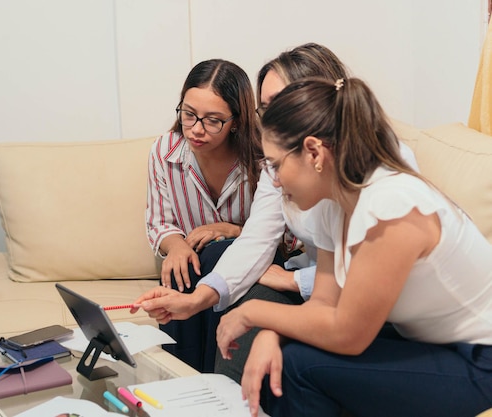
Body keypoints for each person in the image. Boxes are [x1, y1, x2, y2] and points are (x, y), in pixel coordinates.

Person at [136, 44, 418, 381]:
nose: (270, 122)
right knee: (243, 320)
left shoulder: (382, 165)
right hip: (319, 291)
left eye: (280, 106)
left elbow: (373, 272)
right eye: (266, 109)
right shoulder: (278, 163)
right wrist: (198, 299)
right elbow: (258, 237)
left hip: (355, 299)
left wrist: (293, 280)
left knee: (283, 347)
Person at [216, 77, 492, 417]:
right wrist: (270, 334)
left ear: (314, 152)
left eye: (276, 165)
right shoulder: (336, 204)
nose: (274, 180)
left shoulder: (391, 207)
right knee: (291, 355)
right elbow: (322, 305)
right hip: (433, 346)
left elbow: (349, 334)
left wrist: (251, 313)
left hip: (480, 359)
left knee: (298, 367)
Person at [144, 58, 262, 372]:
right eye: (188, 114)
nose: (196, 129)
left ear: (236, 121)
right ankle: (179, 379)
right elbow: (159, 222)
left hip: (251, 262)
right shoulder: (165, 152)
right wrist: (177, 246)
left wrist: (232, 229)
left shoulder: (261, 156)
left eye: (213, 120)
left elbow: (284, 233)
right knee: (182, 264)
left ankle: (211, 379)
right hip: (193, 264)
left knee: (216, 253)